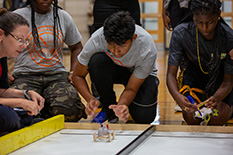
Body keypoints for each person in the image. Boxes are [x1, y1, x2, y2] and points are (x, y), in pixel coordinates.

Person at [72, 11, 159, 124]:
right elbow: (77, 75)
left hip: (139, 76)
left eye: (122, 45)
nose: (116, 51)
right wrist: (90, 99)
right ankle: (108, 108)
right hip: (115, 69)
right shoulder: (97, 39)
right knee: (97, 61)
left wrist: (122, 105)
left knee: (143, 117)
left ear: (133, 38)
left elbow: (131, 89)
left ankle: (127, 108)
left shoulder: (146, 48)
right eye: (111, 44)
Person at [8, 0, 87, 122]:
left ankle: (43, 109)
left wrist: (73, 72)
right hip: (24, 75)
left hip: (56, 75)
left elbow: (76, 47)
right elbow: (2, 43)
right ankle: (44, 108)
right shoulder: (17, 16)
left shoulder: (63, 16)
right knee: (17, 113)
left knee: (70, 112)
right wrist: (4, 74)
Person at [166, 0, 233, 125]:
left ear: (218, 14)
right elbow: (171, 74)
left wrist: (217, 98)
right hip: (194, 78)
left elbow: (228, 81)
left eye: (210, 22)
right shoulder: (181, 33)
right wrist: (178, 97)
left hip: (220, 81)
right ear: (193, 17)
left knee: (217, 119)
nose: (205, 28)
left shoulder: (228, 37)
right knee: (192, 117)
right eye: (199, 22)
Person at [0, 8, 44, 136]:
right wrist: (20, 102)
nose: (24, 46)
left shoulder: (2, 56)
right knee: (8, 117)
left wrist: (26, 94)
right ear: (1, 34)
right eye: (19, 39)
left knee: (25, 115)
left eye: (26, 41)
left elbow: (2, 91)